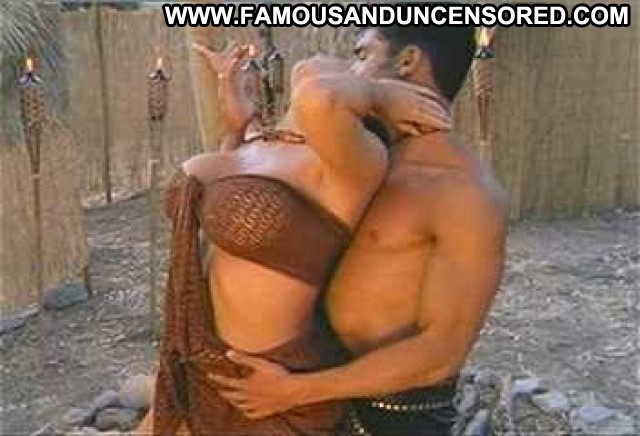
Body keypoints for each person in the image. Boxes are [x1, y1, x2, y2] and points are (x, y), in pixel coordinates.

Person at [135, 41, 452, 435]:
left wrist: (381, 95)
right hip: (200, 367)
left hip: (260, 392)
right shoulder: (262, 142)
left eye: (357, 59)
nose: (334, 54)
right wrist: (237, 129)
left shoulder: (352, 163)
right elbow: (221, 228)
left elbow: (319, 99)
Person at [210, 25, 508, 436]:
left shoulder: (461, 191)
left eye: (362, 55)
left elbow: (443, 350)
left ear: (408, 61)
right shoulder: (359, 154)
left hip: (395, 414)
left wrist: (294, 391)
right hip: (313, 387)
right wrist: (240, 127)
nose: (350, 71)